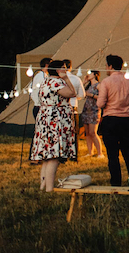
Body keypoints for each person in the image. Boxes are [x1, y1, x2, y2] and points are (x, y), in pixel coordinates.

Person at [29, 60, 77, 192]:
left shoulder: (46, 81)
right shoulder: (57, 82)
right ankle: (49, 189)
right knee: (53, 156)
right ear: (58, 70)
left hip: (46, 118)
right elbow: (72, 93)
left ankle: (43, 187)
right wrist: (66, 78)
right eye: (63, 68)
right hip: (55, 120)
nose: (66, 70)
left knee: (47, 157)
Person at [97, 54, 129, 188]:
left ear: (110, 66)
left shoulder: (106, 82)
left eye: (106, 65)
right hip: (126, 120)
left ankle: (116, 182)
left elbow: (100, 103)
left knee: (112, 154)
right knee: (128, 152)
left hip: (111, 120)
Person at [80, 70, 103, 157]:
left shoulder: (98, 85)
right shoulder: (89, 86)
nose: (88, 75)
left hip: (94, 110)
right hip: (86, 110)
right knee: (87, 132)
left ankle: (100, 152)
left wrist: (91, 95)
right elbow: (80, 92)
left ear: (95, 75)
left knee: (93, 132)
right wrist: (84, 82)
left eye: (90, 73)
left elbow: (101, 97)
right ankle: (90, 152)